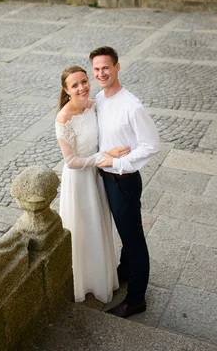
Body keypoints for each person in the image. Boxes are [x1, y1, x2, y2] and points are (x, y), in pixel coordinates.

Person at [89, 46, 160, 319]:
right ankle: (126, 270)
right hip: (106, 179)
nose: (101, 73)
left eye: (106, 67)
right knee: (123, 233)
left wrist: (115, 163)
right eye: (96, 69)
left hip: (124, 181)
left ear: (117, 67)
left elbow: (151, 145)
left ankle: (136, 298)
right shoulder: (100, 98)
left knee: (133, 239)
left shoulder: (132, 106)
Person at [55, 65, 130, 304]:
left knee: (99, 226)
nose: (82, 88)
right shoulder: (63, 118)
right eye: (75, 85)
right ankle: (84, 281)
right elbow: (71, 161)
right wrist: (104, 157)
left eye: (84, 82)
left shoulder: (94, 106)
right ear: (66, 90)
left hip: (97, 177)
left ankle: (103, 277)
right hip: (79, 181)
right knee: (83, 229)